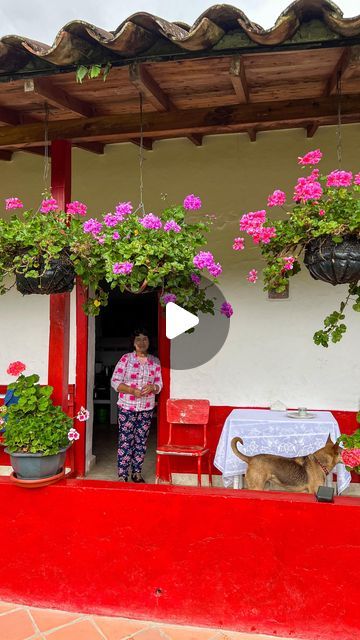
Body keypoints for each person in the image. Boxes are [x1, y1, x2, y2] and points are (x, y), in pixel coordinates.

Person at [111, 328, 163, 482]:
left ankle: (136, 472)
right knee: (126, 440)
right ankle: (122, 474)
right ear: (133, 343)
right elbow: (115, 381)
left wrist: (153, 387)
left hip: (146, 408)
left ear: (149, 341)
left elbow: (160, 383)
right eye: (138, 339)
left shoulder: (155, 361)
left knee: (141, 440)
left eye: (145, 339)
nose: (142, 342)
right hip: (127, 406)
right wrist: (131, 390)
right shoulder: (126, 359)